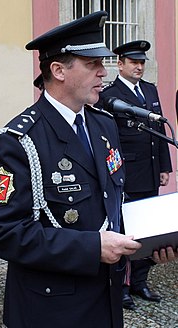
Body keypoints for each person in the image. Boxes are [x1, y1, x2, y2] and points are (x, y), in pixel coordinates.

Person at [0, 12, 176, 328]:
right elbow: (4, 233)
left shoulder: (103, 124)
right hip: (51, 308)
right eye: (92, 64)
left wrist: (150, 242)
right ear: (58, 70)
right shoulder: (17, 141)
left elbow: (111, 204)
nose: (104, 72)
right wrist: (93, 247)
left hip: (106, 297)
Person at [97, 40, 173, 310]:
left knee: (149, 231)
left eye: (142, 62)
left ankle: (140, 281)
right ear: (120, 64)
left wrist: (165, 167)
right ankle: (123, 286)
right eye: (133, 62)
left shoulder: (150, 90)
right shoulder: (109, 95)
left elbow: (160, 134)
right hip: (127, 175)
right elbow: (108, 139)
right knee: (127, 233)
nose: (139, 67)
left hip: (150, 172)